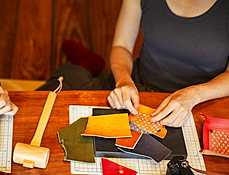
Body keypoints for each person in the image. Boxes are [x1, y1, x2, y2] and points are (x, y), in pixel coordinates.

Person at [39, 0, 229, 127]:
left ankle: (86, 64)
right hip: (137, 88)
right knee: (45, 103)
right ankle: (84, 65)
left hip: (203, 102)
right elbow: (122, 46)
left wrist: (193, 96)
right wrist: (123, 81)